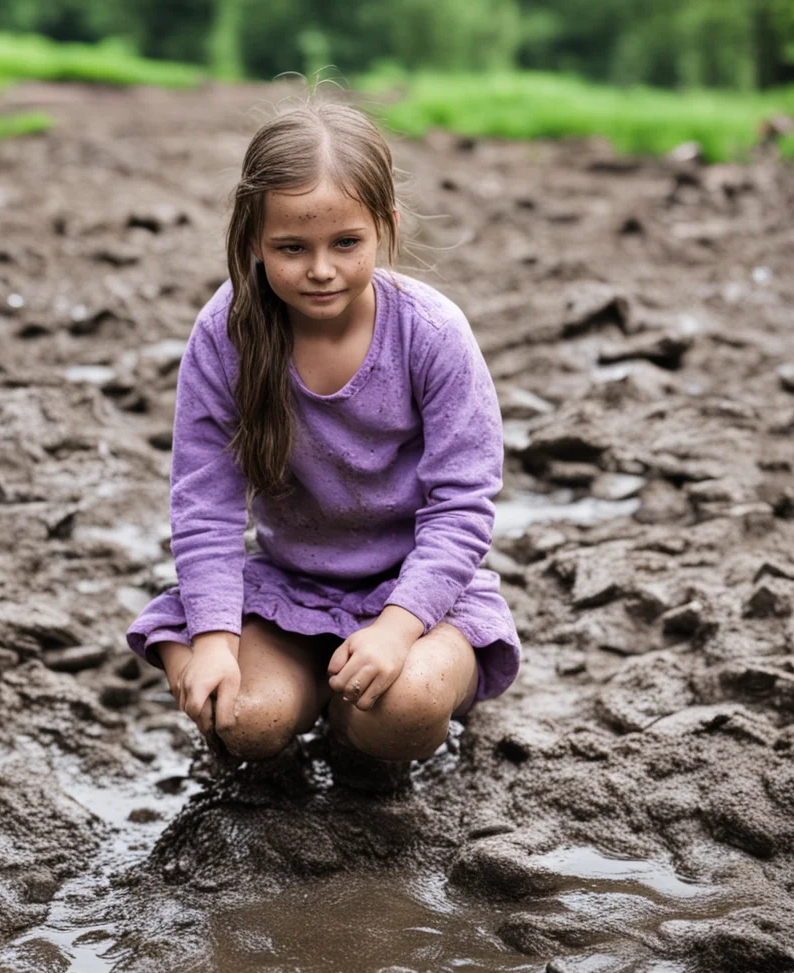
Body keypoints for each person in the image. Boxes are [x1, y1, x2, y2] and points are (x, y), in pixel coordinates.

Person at [126, 97, 520, 770]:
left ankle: (353, 716)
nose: (320, 269)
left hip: (417, 595)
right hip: (290, 591)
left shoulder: (430, 333)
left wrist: (397, 631)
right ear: (254, 238)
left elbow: (461, 505)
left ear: (385, 228)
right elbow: (206, 505)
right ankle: (203, 648)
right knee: (246, 721)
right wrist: (215, 640)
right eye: (291, 248)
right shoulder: (227, 335)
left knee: (404, 708)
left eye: (346, 243)